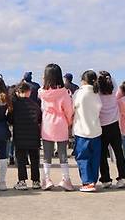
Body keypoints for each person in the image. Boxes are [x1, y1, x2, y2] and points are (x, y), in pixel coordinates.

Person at [38, 63, 74, 191]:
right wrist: (69, 122)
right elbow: (69, 110)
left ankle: (46, 179)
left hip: (47, 123)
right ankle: (66, 179)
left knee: (47, 154)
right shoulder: (64, 92)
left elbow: (42, 108)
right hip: (61, 122)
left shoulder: (42, 92)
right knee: (63, 153)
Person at [97, 71, 125, 189]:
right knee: (118, 152)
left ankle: (106, 179)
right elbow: (115, 83)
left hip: (102, 126)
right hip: (114, 124)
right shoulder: (114, 88)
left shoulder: (97, 92)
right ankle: (124, 176)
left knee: (102, 154)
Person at [72, 70, 102, 192]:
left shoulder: (79, 93)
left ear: (83, 80)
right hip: (96, 130)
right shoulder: (96, 93)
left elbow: (72, 107)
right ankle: (93, 181)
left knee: (83, 157)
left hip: (82, 130)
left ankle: (87, 182)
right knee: (95, 158)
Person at [9, 81, 42, 191]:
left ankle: (22, 181)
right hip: (34, 136)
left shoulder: (15, 105)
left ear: (18, 92)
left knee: (21, 160)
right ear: (29, 92)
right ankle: (36, 181)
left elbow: (10, 119)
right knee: (34, 160)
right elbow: (39, 119)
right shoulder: (35, 104)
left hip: (20, 136)